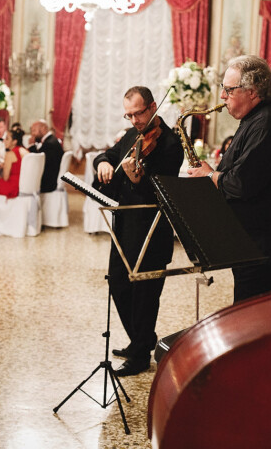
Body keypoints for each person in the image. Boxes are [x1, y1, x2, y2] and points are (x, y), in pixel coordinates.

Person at [187, 55, 271, 304]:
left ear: (252, 92)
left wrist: (209, 175)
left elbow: (241, 184)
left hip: (268, 246)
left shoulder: (268, 123)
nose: (222, 97)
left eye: (228, 90)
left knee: (253, 320)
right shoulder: (256, 119)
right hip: (257, 242)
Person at [94, 86, 184, 376]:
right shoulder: (132, 135)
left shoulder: (170, 144)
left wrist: (137, 180)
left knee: (145, 293)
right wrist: (105, 163)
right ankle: (141, 340)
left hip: (151, 229)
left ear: (153, 106)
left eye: (138, 113)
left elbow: (161, 193)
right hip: (123, 225)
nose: (133, 120)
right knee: (118, 284)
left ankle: (140, 354)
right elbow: (105, 154)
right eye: (128, 114)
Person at [28, 119, 64, 193]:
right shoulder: (52, 140)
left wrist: (32, 146)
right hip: (52, 177)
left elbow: (39, 162)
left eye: (34, 130)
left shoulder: (49, 144)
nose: (32, 134)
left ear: (43, 128)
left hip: (48, 182)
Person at [0, 128, 28, 199]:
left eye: (7, 139)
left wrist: (5, 166)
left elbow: (5, 178)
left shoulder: (10, 154)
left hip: (14, 187)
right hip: (25, 184)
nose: (4, 141)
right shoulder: (24, 150)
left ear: (14, 142)